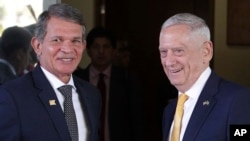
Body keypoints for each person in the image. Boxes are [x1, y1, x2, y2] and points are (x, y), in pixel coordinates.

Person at [0, 3, 100, 141]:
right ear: (37, 45)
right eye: (57, 40)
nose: (67, 49)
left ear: (83, 46)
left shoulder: (91, 94)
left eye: (75, 41)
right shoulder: (11, 96)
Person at [159, 13, 250, 141]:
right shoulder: (169, 111)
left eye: (178, 51)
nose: (168, 62)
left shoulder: (237, 101)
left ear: (206, 51)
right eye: (163, 52)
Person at [74, 26, 145, 141]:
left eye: (106, 47)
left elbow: (137, 121)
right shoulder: (77, 80)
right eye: (96, 47)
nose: (101, 52)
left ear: (113, 50)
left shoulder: (127, 80)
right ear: (88, 50)